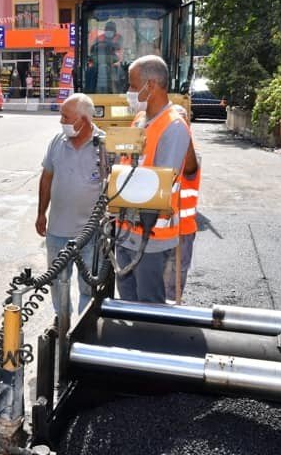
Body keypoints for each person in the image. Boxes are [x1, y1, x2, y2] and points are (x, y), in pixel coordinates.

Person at [115, 55, 192, 303]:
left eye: (133, 86)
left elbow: (159, 187)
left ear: (151, 85)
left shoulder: (174, 127)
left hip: (151, 239)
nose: (129, 92)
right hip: (125, 231)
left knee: (148, 306)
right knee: (127, 303)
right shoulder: (139, 119)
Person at [36, 93, 103, 316]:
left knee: (89, 288)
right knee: (58, 285)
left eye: (65, 117)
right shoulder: (57, 142)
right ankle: (62, 324)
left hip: (91, 235)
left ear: (83, 120)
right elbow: (46, 178)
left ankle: (85, 330)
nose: (61, 121)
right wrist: (41, 213)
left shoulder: (104, 145)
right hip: (57, 231)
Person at [162, 105, 200, 304]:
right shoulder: (163, 148)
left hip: (183, 229)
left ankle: (172, 305)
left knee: (176, 275)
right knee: (158, 277)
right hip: (163, 228)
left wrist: (182, 132)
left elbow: (191, 169)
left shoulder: (192, 154)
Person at [90, 21, 124, 94]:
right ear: (105, 30)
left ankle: (119, 92)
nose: (109, 31)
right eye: (108, 29)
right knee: (91, 73)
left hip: (114, 64)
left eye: (111, 30)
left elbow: (118, 47)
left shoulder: (119, 37)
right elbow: (93, 48)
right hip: (99, 63)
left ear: (115, 31)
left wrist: (108, 45)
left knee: (120, 75)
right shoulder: (99, 38)